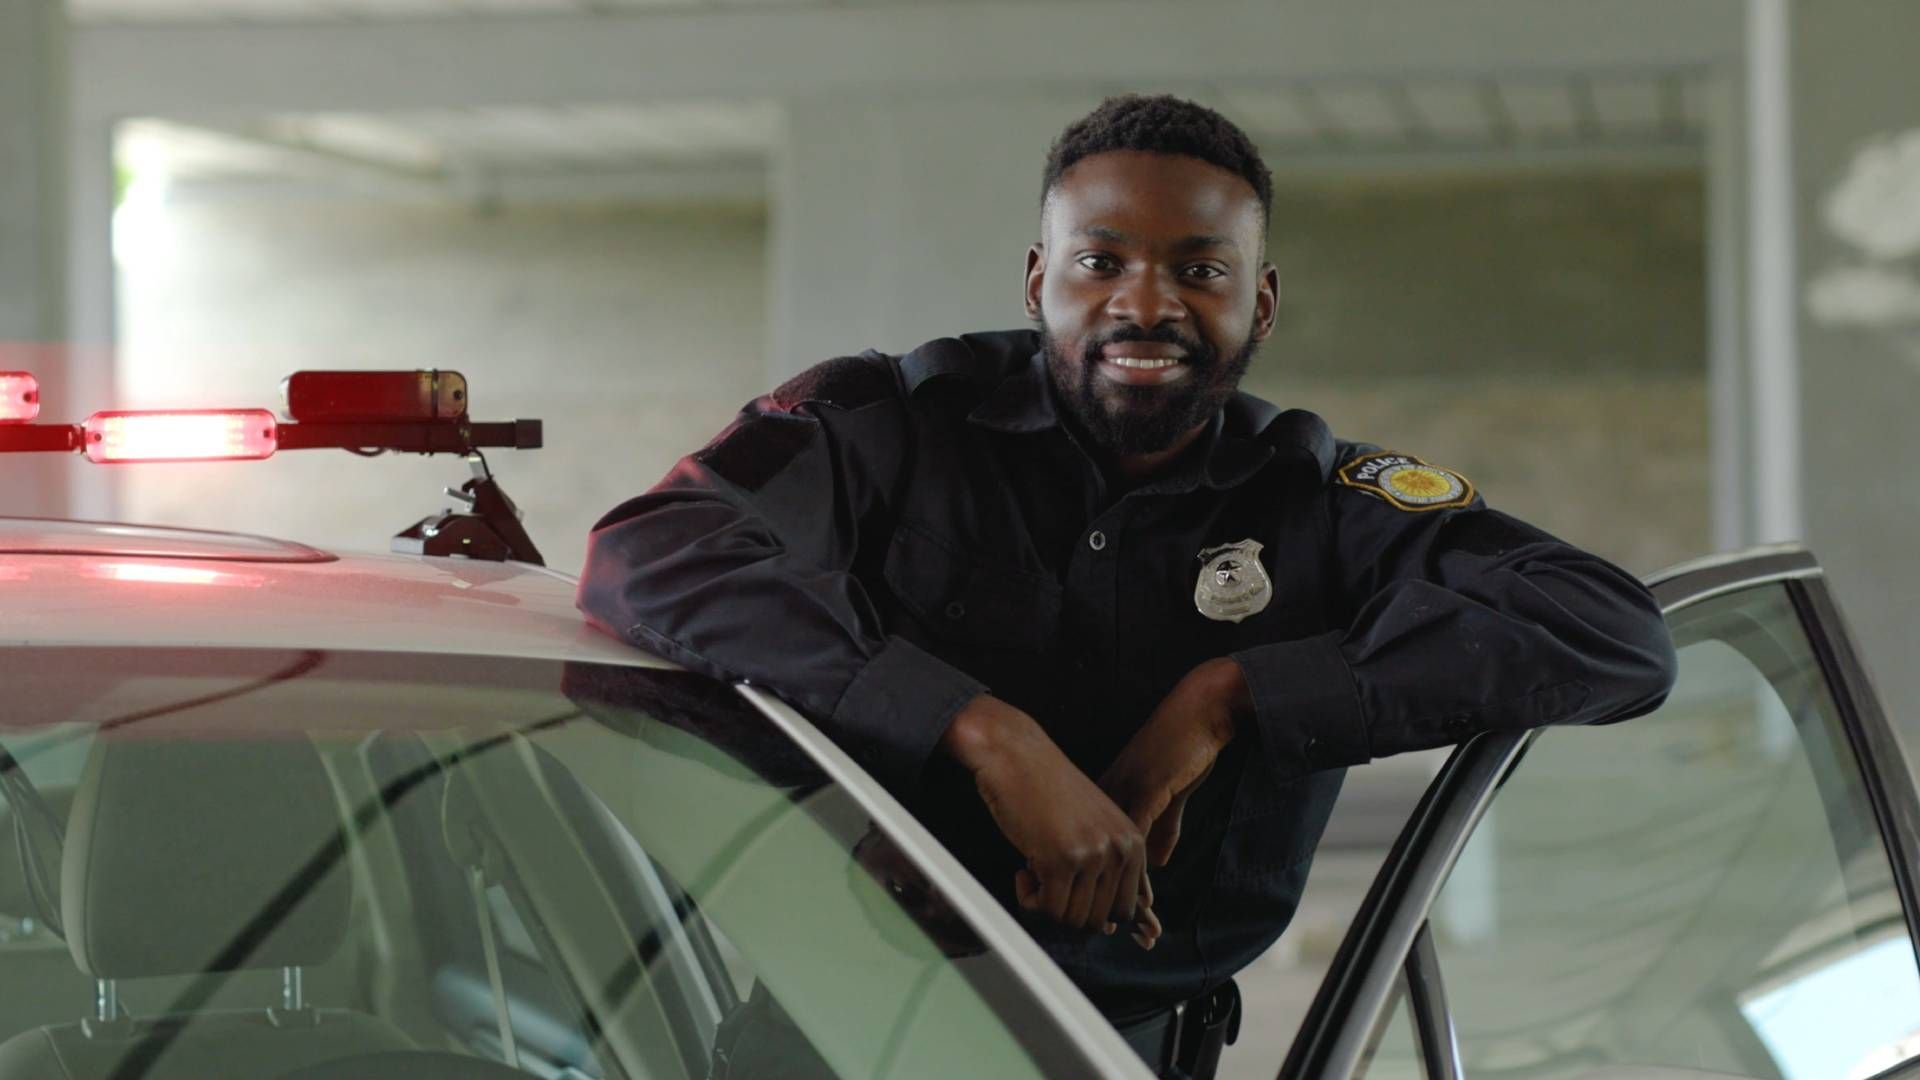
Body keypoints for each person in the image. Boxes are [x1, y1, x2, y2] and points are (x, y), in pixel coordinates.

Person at [578, 94, 1678, 1078]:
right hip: (827, 1040)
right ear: (1036, 278)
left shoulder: (1324, 501)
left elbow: (1616, 635)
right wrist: (977, 729)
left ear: (1263, 300)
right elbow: (649, 552)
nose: (1145, 304)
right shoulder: (884, 430)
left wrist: (1233, 696)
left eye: (1201, 270)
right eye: (1100, 263)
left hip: (1126, 1055)